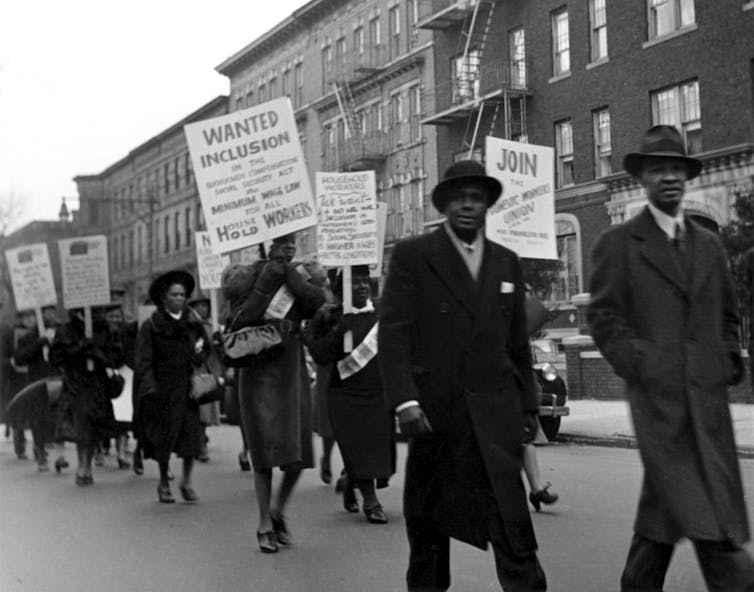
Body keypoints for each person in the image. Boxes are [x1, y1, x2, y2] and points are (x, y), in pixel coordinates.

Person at [587, 125, 754, 591]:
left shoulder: (709, 244)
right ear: (642, 179)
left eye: (676, 170)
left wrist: (724, 360)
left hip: (707, 405)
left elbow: (727, 314)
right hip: (660, 406)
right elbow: (603, 318)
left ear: (687, 177)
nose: (669, 179)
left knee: (664, 518)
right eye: (658, 170)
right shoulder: (619, 245)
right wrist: (643, 363)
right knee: (714, 525)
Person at [379, 160, 547, 591]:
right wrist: (405, 400)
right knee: (429, 535)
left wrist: (528, 404)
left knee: (513, 530)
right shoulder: (414, 257)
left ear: (489, 205)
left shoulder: (506, 262)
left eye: (477, 198)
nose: (468, 206)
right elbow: (394, 335)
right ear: (446, 205)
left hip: (494, 419)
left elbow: (516, 345)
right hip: (436, 419)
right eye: (459, 198)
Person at [221, 233, 325, 554]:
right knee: (264, 450)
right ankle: (264, 521)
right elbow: (241, 318)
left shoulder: (297, 273)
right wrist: (268, 279)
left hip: (291, 365)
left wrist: (290, 274)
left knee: (297, 451)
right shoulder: (246, 276)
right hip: (259, 365)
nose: (289, 246)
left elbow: (315, 303)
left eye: (292, 240)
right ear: (265, 244)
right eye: (281, 241)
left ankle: (279, 510)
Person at [305, 265, 395, 524]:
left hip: (377, 390)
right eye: (355, 281)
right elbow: (321, 355)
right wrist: (327, 329)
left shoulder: (379, 312)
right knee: (359, 446)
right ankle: (371, 501)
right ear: (342, 288)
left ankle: (350, 479)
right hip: (345, 394)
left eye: (365, 279)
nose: (363, 285)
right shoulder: (332, 317)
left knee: (377, 450)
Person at [135, 270, 210, 504]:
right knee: (164, 438)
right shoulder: (152, 325)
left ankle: (187, 481)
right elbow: (143, 360)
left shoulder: (193, 322)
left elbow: (204, 348)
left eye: (183, 294)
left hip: (188, 387)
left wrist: (199, 354)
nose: (180, 298)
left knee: (191, 437)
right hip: (163, 388)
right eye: (174, 294)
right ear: (164, 298)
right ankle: (163, 481)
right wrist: (150, 386)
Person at [50, 307, 122, 486]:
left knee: (93, 427)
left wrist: (97, 354)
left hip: (97, 384)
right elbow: (55, 358)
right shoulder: (66, 330)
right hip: (75, 383)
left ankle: (87, 465)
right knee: (81, 426)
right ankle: (82, 465)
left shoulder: (104, 329)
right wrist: (80, 348)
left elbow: (117, 358)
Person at [12, 306, 68, 473]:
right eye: (46, 312)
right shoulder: (29, 337)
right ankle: (41, 451)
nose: (50, 315)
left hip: (58, 381)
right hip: (37, 383)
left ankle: (60, 455)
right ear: (39, 315)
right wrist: (39, 343)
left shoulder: (62, 333)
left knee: (59, 417)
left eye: (52, 311)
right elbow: (19, 359)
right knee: (39, 419)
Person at [188, 295, 222, 463]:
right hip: (195, 369)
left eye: (205, 305)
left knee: (207, 409)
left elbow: (217, 350)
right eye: (200, 306)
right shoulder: (192, 325)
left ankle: (202, 437)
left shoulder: (211, 326)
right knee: (199, 410)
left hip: (210, 370)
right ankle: (201, 443)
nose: (203, 309)